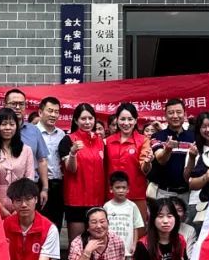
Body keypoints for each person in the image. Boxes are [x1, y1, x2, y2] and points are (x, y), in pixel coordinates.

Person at [0, 89, 49, 203]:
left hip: (27, 192)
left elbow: (42, 160)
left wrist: (45, 188)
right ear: (5, 104)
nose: (17, 107)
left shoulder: (34, 131)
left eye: (21, 104)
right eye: (13, 104)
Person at [58, 103, 106, 244]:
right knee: (77, 244)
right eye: (83, 119)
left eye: (90, 118)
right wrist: (73, 153)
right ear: (76, 120)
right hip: (76, 200)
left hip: (97, 200)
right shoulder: (68, 140)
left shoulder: (100, 141)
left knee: (97, 243)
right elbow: (70, 169)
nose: (87, 122)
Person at [0, 107, 36, 218]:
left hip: (22, 206)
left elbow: (29, 180)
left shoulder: (26, 150)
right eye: (4, 124)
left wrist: (19, 208)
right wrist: (1, 209)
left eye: (11, 124)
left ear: (16, 127)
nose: (8, 128)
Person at [104, 102, 152, 223]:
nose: (126, 123)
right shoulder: (107, 142)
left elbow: (144, 169)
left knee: (138, 230)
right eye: (122, 119)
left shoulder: (143, 141)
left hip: (136, 195)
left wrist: (147, 162)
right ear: (117, 120)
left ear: (135, 120)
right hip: (112, 195)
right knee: (113, 229)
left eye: (130, 119)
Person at [148, 98, 196, 204]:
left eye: (178, 112)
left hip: (188, 193)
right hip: (164, 193)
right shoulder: (157, 136)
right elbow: (161, 160)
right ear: (165, 116)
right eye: (171, 113)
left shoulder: (193, 137)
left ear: (185, 114)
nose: (175, 116)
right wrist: (168, 149)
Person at [34, 96, 66, 230]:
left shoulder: (62, 134)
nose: (53, 115)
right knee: (40, 224)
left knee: (56, 224)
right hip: (38, 184)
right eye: (50, 111)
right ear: (40, 112)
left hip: (58, 184)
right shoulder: (32, 132)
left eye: (56, 112)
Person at [104, 171, 145, 260]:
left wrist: (134, 244)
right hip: (110, 249)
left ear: (128, 189)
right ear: (111, 189)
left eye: (123, 188)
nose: (121, 190)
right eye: (117, 187)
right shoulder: (107, 206)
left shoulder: (132, 206)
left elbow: (135, 227)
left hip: (127, 248)